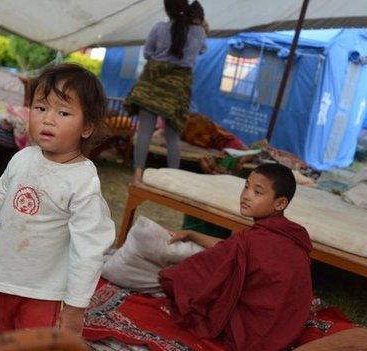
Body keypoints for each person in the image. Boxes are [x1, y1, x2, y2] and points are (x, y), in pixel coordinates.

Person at [0, 63, 116, 335]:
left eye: (63, 112)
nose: (48, 119)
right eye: (40, 108)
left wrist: (75, 308)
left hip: (46, 292)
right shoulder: (23, 158)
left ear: (87, 127)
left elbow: (89, 249)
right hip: (7, 280)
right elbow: (4, 195)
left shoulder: (82, 181)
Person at [160, 163, 313, 350]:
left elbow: (224, 254)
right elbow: (230, 249)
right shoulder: (289, 233)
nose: (246, 195)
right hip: (288, 328)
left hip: (255, 333)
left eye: (258, 192)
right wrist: (192, 235)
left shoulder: (252, 239)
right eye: (246, 186)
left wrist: (173, 277)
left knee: (185, 279)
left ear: (280, 203)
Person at [124, 0, 207, 184]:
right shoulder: (199, 32)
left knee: (145, 132)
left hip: (152, 84)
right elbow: (201, 49)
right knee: (172, 136)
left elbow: (147, 53)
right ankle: (173, 180)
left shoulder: (159, 28)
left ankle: (138, 176)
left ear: (167, 10)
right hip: (176, 89)